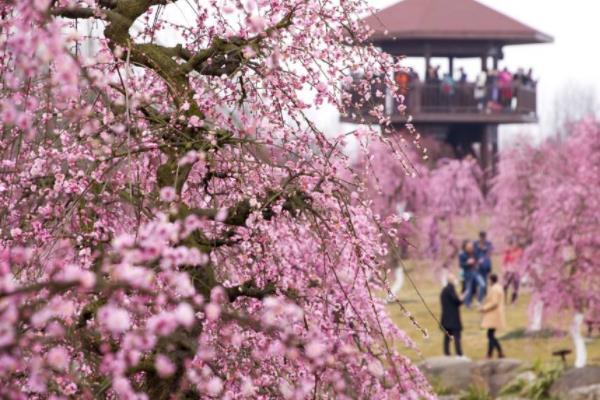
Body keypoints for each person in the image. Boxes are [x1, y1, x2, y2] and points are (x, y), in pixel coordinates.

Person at [480, 274, 506, 358]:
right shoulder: (498, 288)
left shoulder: (494, 289)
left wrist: (484, 308)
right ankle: (490, 353)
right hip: (496, 314)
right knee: (490, 334)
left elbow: (494, 302)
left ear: (491, 280)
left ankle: (499, 351)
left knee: (490, 335)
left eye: (488, 280)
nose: (488, 281)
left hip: (493, 314)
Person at [440, 274, 464, 356]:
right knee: (457, 337)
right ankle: (459, 354)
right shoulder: (451, 289)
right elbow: (456, 301)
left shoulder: (444, 290)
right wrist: (461, 299)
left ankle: (447, 353)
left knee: (447, 337)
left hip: (446, 318)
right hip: (453, 318)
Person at [459, 240, 485, 307]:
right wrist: (467, 263)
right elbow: (461, 265)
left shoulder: (474, 252)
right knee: (468, 289)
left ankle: (479, 301)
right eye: (469, 246)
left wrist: (479, 261)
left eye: (471, 246)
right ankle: (468, 304)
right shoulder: (462, 254)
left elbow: (478, 259)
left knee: (482, 284)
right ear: (465, 247)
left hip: (476, 272)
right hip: (467, 273)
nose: (471, 247)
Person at [502, 236, 523, 304]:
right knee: (505, 285)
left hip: (517, 271)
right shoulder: (507, 252)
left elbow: (522, 261)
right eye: (514, 243)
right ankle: (503, 299)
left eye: (516, 243)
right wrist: (505, 270)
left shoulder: (520, 251)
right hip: (509, 271)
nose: (515, 244)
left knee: (516, 286)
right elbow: (504, 262)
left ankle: (513, 301)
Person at [474, 231, 493, 296]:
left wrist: (484, 249)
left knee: (485, 280)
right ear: (479, 237)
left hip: (486, 264)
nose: (482, 239)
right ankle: (477, 294)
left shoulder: (488, 243)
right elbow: (473, 252)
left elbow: (490, 252)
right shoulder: (475, 243)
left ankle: (484, 294)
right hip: (477, 265)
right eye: (481, 237)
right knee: (477, 280)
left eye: (484, 237)